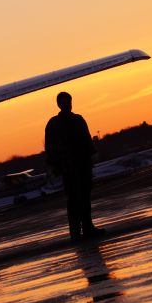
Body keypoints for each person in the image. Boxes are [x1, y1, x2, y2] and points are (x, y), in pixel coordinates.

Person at [45, 92, 106, 242]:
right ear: (59, 104)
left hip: (83, 165)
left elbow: (87, 138)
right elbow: (50, 147)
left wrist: (93, 153)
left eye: (69, 102)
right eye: (64, 103)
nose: (67, 105)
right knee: (73, 200)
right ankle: (75, 232)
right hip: (68, 168)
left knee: (85, 198)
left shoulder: (78, 120)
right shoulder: (53, 124)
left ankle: (88, 228)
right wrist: (53, 165)